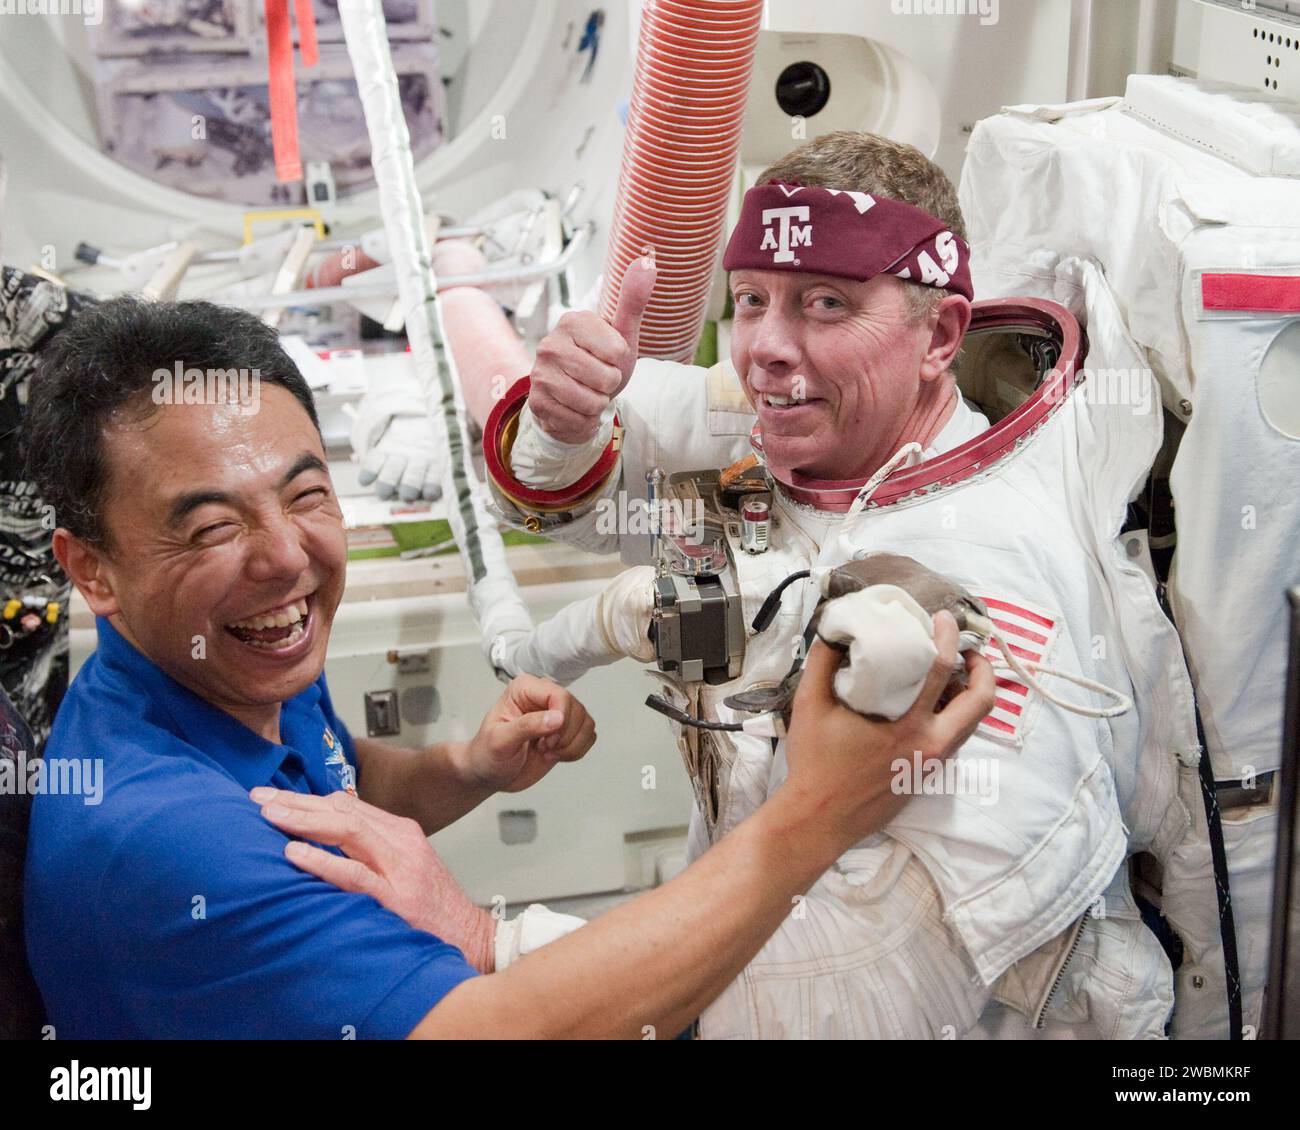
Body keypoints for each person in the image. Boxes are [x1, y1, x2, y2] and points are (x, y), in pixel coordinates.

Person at [19, 296, 993, 1039]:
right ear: (91, 569)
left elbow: (336, 770)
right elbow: (513, 1028)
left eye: (306, 492)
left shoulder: (220, 655)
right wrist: (816, 814)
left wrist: (465, 767)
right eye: (213, 524)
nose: (286, 558)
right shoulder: (167, 842)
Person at [477, 131, 1180, 1038]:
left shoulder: (991, 587)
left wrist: (499, 951)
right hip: (728, 943)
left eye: (824, 304)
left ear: (941, 335)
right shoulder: (795, 429)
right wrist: (563, 424)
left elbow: (866, 990)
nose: (766, 348)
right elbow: (563, 506)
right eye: (751, 301)